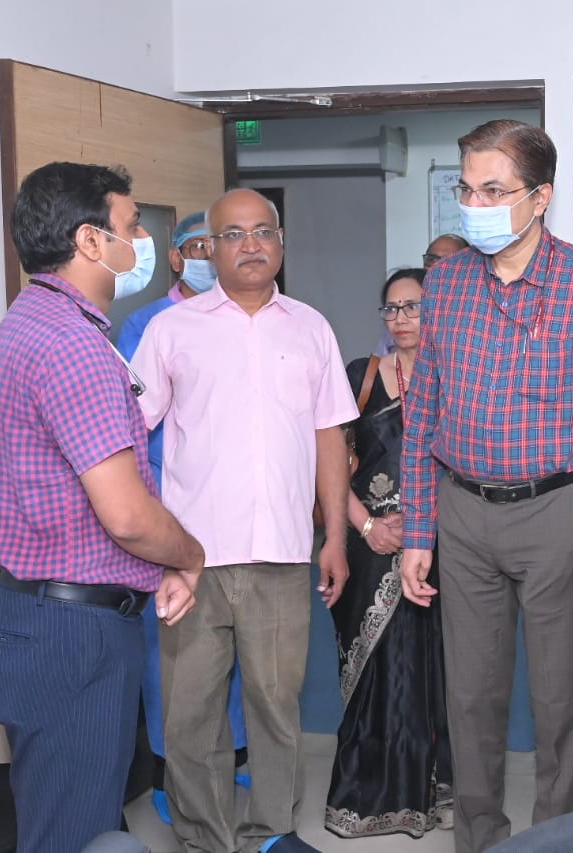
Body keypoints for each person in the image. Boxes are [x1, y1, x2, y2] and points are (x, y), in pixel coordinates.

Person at [399, 119, 573, 852]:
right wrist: (419, 530)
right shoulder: (446, 283)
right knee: (471, 700)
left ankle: (562, 842)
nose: (475, 205)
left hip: (556, 512)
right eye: (467, 189)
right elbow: (423, 414)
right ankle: (480, 841)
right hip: (461, 514)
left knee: (559, 707)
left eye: (494, 190)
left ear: (540, 196)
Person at [0, 161, 205, 852]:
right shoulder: (73, 345)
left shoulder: (29, 319)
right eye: (132, 226)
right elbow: (126, 514)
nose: (142, 242)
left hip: (34, 613)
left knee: (67, 817)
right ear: (90, 241)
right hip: (72, 635)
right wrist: (188, 555)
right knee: (74, 834)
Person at [131, 188, 355, 853]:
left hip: (281, 555)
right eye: (233, 234)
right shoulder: (173, 330)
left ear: (280, 242)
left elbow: (329, 437)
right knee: (191, 711)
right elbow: (127, 433)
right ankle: (204, 837)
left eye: (263, 231)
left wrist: (336, 538)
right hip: (192, 562)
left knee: (276, 708)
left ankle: (269, 835)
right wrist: (151, 539)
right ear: (209, 248)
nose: (250, 244)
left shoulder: (311, 328)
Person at [116, 211, 250, 824]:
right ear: (175, 258)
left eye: (213, 245)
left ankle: (235, 755)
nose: (206, 256)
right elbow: (130, 421)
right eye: (194, 247)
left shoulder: (240, 318)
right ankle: (171, 772)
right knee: (168, 647)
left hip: (233, 510)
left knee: (236, 637)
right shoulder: (145, 324)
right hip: (167, 510)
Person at [324, 267, 453, 839]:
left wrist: (427, 526)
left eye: (414, 306)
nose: (401, 318)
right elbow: (329, 463)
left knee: (431, 671)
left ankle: (432, 790)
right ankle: (365, 797)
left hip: (438, 546)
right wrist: (369, 525)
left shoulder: (457, 377)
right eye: (392, 308)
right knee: (378, 673)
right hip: (369, 545)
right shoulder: (361, 375)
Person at [372, 233, 470, 357]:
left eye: (448, 260)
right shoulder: (400, 320)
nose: (436, 266)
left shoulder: (474, 318)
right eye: (431, 259)